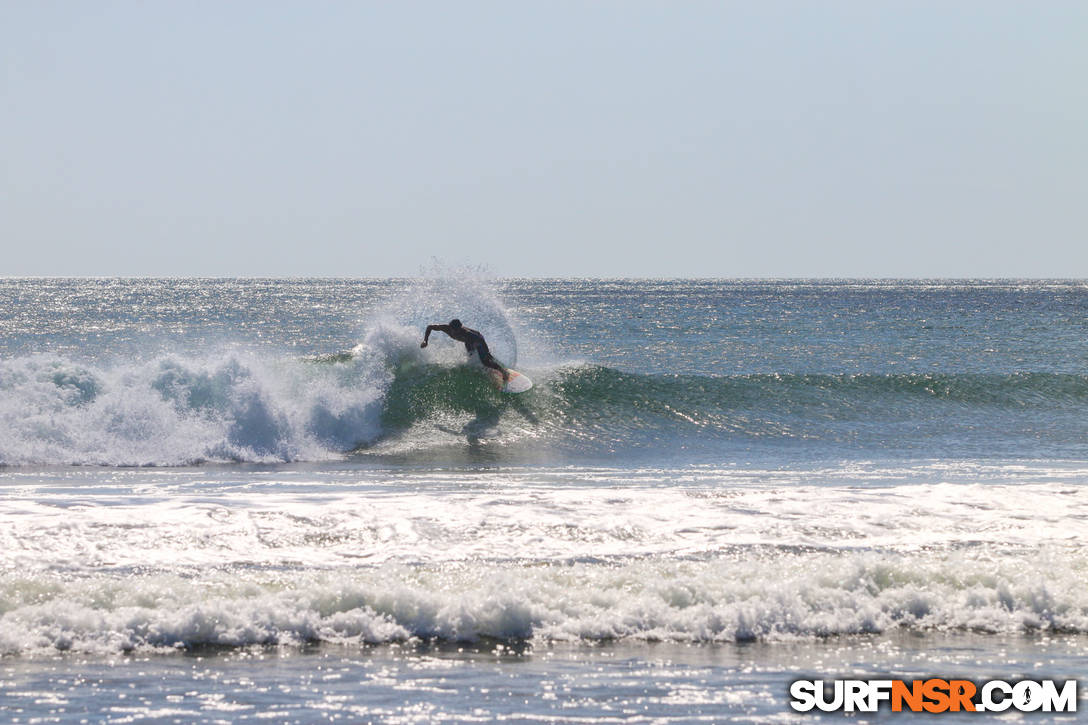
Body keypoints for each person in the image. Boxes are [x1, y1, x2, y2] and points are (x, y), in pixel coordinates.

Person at [421, 319, 510, 382]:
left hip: (477, 339)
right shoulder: (445, 328)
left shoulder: (468, 334)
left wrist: (486, 352)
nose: (457, 332)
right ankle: (489, 367)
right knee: (471, 356)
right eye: (454, 330)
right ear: (450, 327)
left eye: (459, 330)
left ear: (461, 327)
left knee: (485, 360)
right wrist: (425, 340)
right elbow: (430, 327)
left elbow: (480, 339)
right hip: (467, 342)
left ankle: (503, 371)